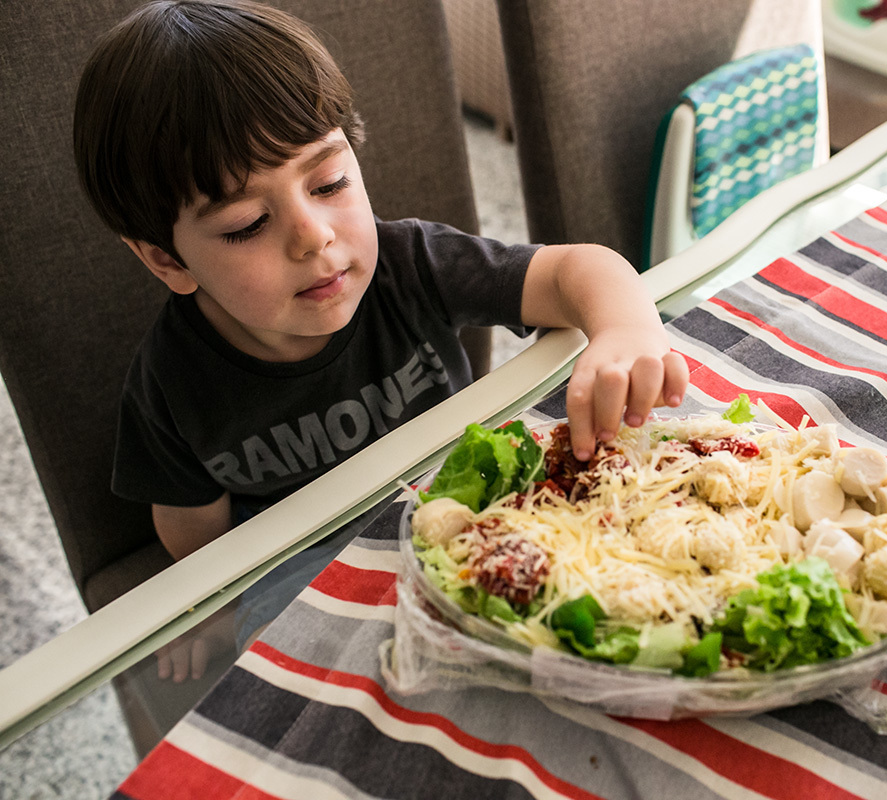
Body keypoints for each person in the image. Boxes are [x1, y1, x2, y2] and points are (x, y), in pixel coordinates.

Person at [73, 0, 688, 680]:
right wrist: (209, 606)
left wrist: (626, 328)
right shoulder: (171, 382)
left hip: (470, 507)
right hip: (302, 571)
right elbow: (194, 529)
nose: (314, 236)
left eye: (329, 182)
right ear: (167, 260)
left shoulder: (410, 263)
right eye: (248, 223)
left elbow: (579, 270)